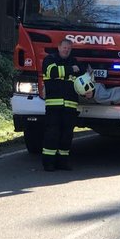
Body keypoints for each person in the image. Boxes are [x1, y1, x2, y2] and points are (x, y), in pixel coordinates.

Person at [41, 39, 83, 171]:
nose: (66, 50)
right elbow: (51, 72)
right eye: (64, 47)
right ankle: (48, 163)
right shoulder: (50, 59)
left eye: (69, 48)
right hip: (54, 105)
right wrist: (71, 69)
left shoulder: (74, 61)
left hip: (70, 105)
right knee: (52, 134)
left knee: (67, 135)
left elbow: (81, 80)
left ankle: (63, 162)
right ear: (59, 47)